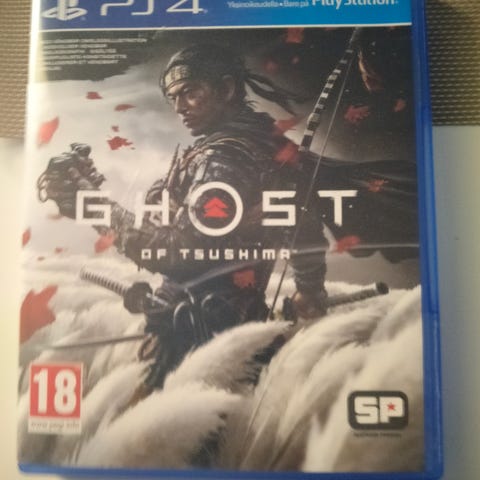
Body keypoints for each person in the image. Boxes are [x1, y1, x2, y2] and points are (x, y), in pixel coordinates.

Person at [40, 44, 329, 387]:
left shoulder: (224, 159)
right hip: (225, 328)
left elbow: (179, 253)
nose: (179, 107)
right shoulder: (263, 147)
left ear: (226, 89)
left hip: (195, 337)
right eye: (174, 97)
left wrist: (90, 204)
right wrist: (309, 289)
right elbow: (304, 225)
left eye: (190, 93)